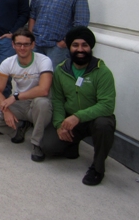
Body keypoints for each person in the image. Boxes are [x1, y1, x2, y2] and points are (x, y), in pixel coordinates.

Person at [41, 27, 116, 186]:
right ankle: (72, 145)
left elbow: (107, 105)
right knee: (47, 146)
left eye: (85, 45)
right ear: (69, 47)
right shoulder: (61, 70)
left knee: (104, 124)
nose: (80, 49)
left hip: (95, 119)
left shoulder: (102, 72)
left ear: (90, 47)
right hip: (70, 120)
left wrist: (78, 117)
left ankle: (98, 168)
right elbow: (58, 101)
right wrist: (60, 124)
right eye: (75, 45)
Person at [0, 28, 53, 162]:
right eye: (19, 44)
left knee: (42, 103)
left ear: (33, 45)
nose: (22, 48)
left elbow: (44, 90)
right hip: (20, 104)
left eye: (26, 44)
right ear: (13, 45)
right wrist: (7, 110)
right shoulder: (8, 62)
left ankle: (37, 143)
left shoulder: (44, 61)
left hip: (38, 103)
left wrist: (14, 97)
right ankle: (18, 129)